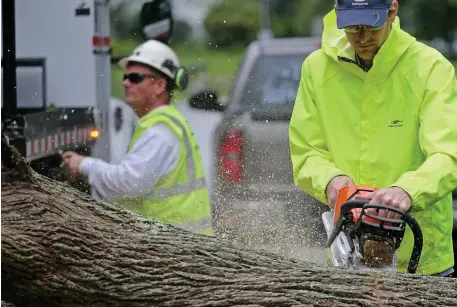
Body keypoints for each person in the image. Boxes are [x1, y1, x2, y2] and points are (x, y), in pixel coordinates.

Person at [289, 0, 457, 277]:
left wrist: (407, 191)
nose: (362, 37)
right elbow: (306, 152)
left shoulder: (430, 69)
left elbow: (449, 154)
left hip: (423, 261)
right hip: (349, 261)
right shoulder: (316, 69)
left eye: (371, 25)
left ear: (392, 11)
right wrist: (330, 181)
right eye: (352, 27)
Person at [61, 40, 213, 236]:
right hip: (180, 243)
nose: (125, 82)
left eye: (135, 77)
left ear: (159, 85)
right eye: (125, 77)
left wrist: (83, 165)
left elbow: (128, 183)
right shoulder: (164, 123)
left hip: (172, 247)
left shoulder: (160, 131)